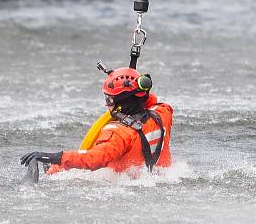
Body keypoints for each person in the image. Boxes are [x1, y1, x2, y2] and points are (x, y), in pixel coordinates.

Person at [20, 67, 172, 175]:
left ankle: (51, 168)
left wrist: (55, 157)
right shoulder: (163, 113)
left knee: (58, 171)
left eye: (109, 98)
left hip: (121, 183)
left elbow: (94, 159)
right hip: (159, 176)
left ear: (123, 101)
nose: (107, 104)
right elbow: (151, 99)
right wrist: (136, 90)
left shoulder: (118, 133)